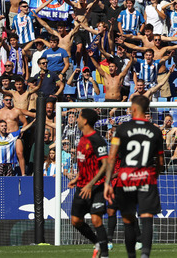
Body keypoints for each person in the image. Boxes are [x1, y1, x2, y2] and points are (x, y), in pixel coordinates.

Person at [104, 95, 164, 258]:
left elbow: (111, 157)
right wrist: (154, 175)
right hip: (147, 178)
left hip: (126, 179)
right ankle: (145, 254)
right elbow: (160, 161)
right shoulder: (155, 131)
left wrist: (108, 182)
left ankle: (131, 255)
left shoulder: (121, 129)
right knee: (146, 218)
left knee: (128, 219)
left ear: (135, 109)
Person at [68, 108, 110, 258]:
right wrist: (77, 178)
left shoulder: (97, 139)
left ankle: (104, 255)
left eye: (79, 117)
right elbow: (85, 164)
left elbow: (105, 165)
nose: (77, 119)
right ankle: (97, 242)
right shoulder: (82, 139)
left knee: (96, 219)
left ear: (85, 120)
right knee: (75, 221)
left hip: (96, 186)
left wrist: (91, 184)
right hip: (82, 186)